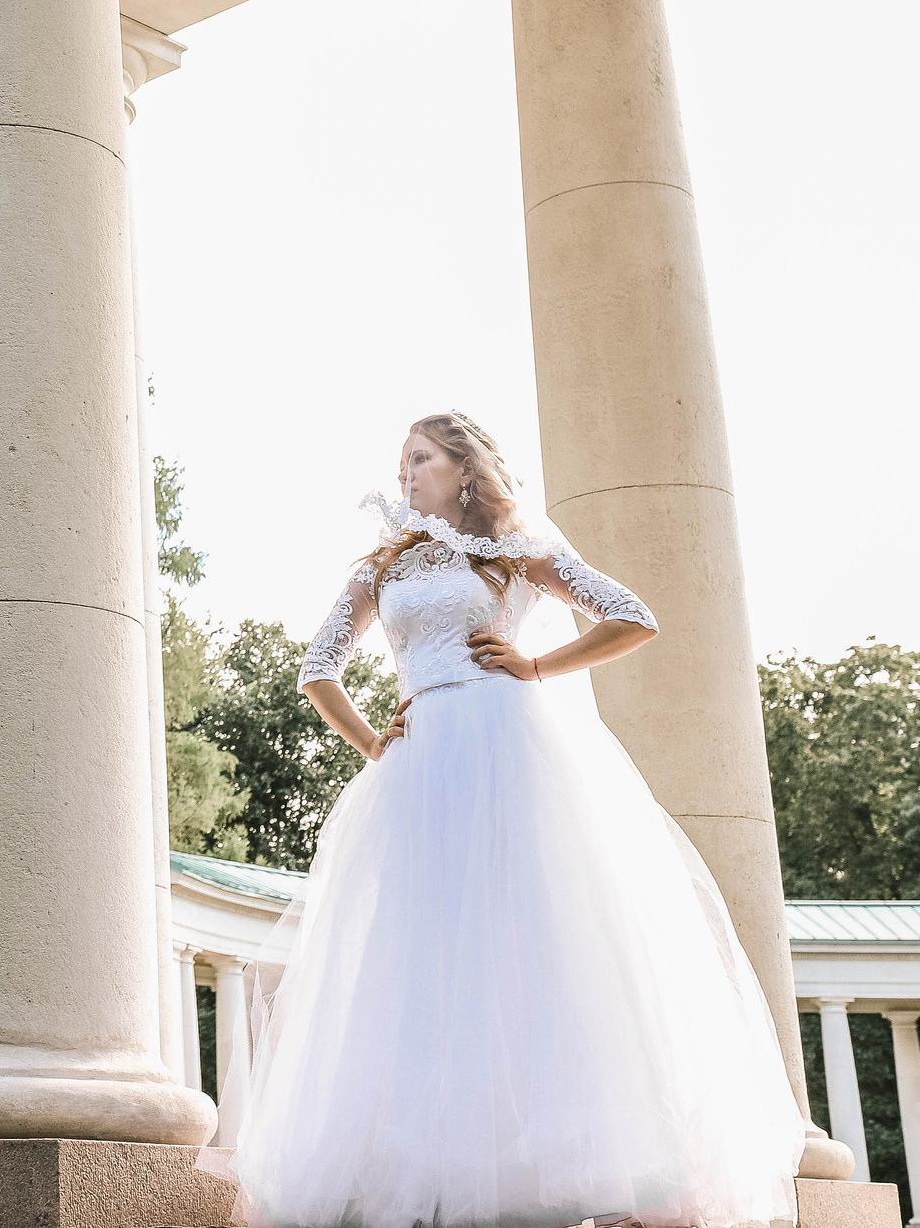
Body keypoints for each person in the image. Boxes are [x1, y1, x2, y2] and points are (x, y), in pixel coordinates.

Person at [227, 412, 804, 1228]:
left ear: (464, 468)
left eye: (420, 457)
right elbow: (317, 665)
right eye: (400, 461)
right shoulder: (382, 566)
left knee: (529, 943)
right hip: (421, 766)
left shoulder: (514, 551)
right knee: (422, 953)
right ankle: (430, 1160)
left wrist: (535, 664)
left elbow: (632, 613)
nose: (404, 473)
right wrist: (372, 745)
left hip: (511, 750)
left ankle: (559, 1156)